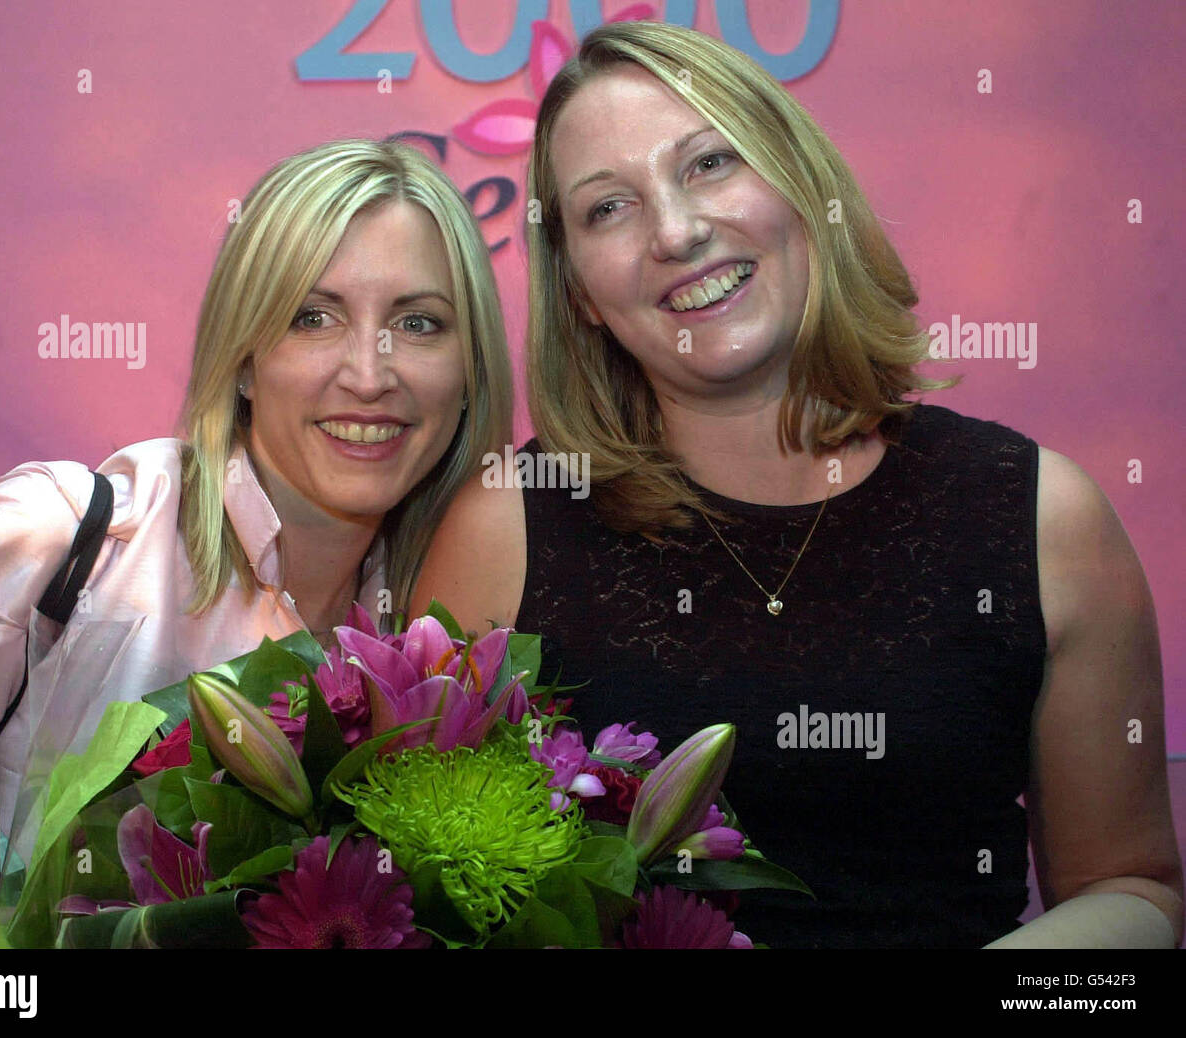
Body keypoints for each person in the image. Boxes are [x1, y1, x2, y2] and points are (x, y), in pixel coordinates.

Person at [410, 22, 1183, 949]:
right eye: (607, 208)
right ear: (578, 289)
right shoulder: (505, 529)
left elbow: (1135, 894)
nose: (678, 229)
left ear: (801, 186)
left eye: (708, 164)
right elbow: (425, 910)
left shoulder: (1042, 514)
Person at [0, 138, 513, 947]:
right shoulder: (58, 539)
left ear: (470, 377)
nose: (370, 373)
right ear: (245, 358)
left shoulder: (446, 652)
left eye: (418, 323)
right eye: (312, 318)